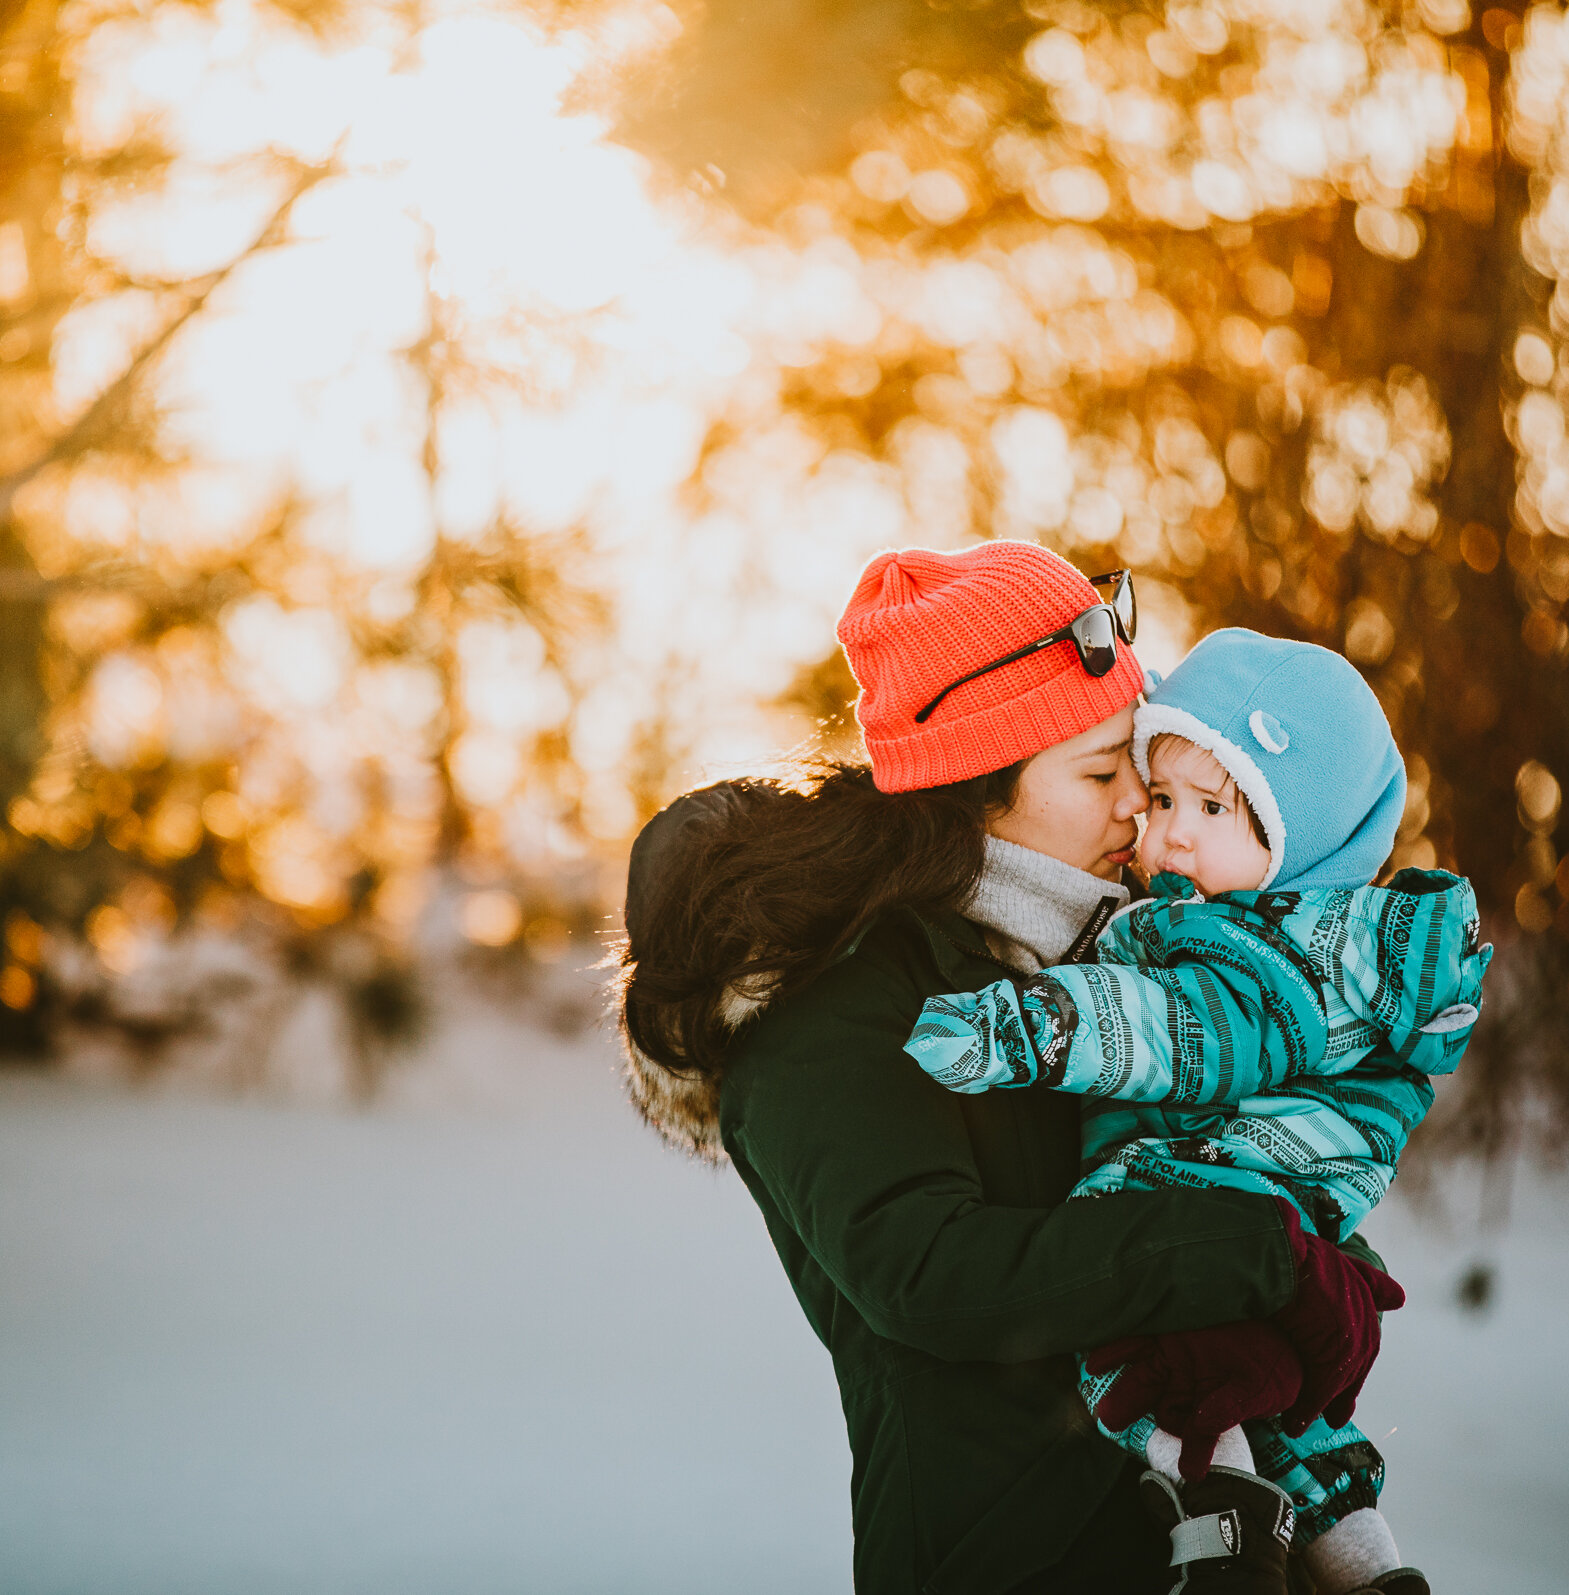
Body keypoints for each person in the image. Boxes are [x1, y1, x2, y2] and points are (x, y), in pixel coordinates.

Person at [614, 543, 1403, 1595]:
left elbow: (1214, 1172)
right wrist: (1256, 1252)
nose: (1142, 802)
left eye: (1139, 756)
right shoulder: (833, 1008)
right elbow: (929, 1272)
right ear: (974, 792)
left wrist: (1320, 1259)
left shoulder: (1111, 955)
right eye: (1099, 770)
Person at [906, 629, 1492, 1595]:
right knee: (1296, 1421)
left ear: (1302, 841)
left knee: (1167, 1372)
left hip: (1217, 1186)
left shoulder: (1272, 952)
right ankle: (1369, 1571)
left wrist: (1029, 1028)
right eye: (1165, 795)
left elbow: (1182, 1032)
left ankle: (1225, 1531)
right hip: (1255, 1203)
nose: (1169, 830)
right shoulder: (1292, 933)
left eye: (1215, 808)